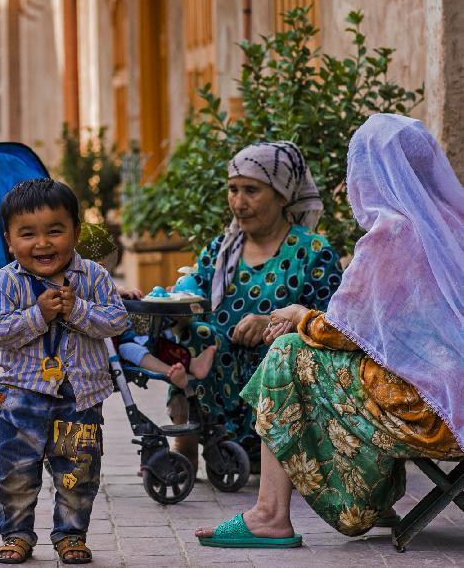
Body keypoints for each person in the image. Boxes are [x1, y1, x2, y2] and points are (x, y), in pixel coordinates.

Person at [196, 113, 464, 548]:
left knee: (286, 353)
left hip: (432, 412)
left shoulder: (394, 234)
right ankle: (372, 501)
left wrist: (298, 315)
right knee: (339, 365)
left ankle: (269, 515)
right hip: (451, 396)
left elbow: (342, 330)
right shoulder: (452, 224)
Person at [164, 141, 343, 468]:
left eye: (251, 190)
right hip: (222, 370)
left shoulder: (313, 251)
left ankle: (271, 450)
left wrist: (271, 323)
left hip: (275, 375)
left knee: (284, 351)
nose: (239, 202)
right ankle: (187, 437)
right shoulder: (223, 247)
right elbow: (195, 286)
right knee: (195, 334)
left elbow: (331, 325)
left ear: (281, 195)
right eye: (233, 190)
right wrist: (177, 294)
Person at [0, 179, 130, 564]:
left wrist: (76, 310)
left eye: (55, 230)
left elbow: (117, 321)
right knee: (16, 471)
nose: (43, 244)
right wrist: (39, 315)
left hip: (78, 398)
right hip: (22, 397)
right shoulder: (9, 280)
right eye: (28, 234)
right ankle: (16, 534)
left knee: (78, 471)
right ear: (10, 240)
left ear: (76, 232)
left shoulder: (94, 277)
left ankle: (71, 534)